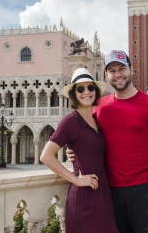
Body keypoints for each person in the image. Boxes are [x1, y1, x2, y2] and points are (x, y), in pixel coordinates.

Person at [68, 50, 148, 233]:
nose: (118, 74)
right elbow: (88, 140)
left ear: (131, 69)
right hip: (110, 192)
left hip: (144, 190)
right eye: (112, 70)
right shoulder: (99, 106)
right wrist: (73, 152)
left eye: (121, 68)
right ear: (107, 75)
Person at [40, 68, 119, 233]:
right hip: (84, 199)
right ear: (74, 94)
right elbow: (46, 156)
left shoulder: (96, 120)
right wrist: (75, 179)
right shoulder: (69, 122)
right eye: (80, 89)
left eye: (90, 88)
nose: (86, 92)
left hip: (102, 195)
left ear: (95, 91)